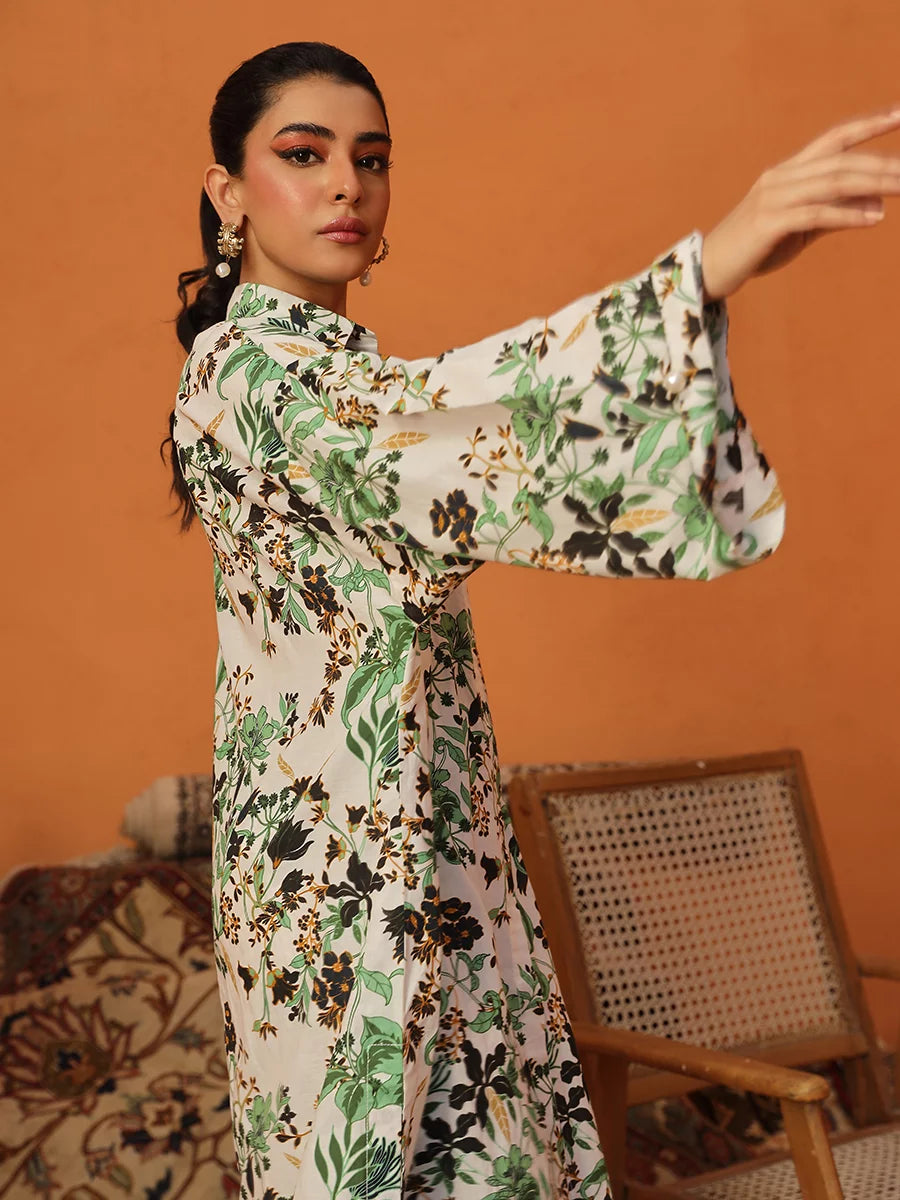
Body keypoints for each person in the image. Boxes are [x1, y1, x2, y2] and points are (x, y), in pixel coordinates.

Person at [165, 40, 899, 1200]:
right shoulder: (245, 381)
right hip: (345, 905)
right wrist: (704, 270)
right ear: (228, 192)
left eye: (371, 157)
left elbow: (437, 428)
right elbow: (440, 418)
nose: (346, 183)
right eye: (302, 155)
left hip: (441, 867)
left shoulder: (339, 377)